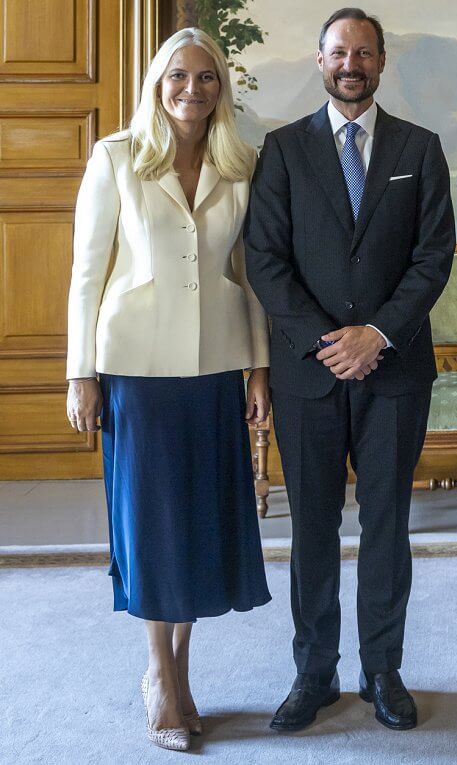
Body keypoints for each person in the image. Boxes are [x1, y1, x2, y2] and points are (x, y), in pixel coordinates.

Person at [244, 7, 455, 733]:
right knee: (313, 529)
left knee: (388, 526)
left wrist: (377, 334)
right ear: (320, 59)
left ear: (381, 61)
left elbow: (434, 257)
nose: (351, 63)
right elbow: (264, 260)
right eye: (339, 52)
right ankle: (314, 673)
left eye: (363, 52)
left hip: (394, 370)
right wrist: (329, 341)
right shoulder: (282, 150)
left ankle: (383, 670)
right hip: (309, 373)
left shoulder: (420, 149)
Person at [65, 27, 271, 752]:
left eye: (207, 77)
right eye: (178, 76)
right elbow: (87, 271)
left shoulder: (242, 164)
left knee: (198, 522)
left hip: (214, 366)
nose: (193, 89)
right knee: (152, 527)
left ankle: (180, 670)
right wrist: (79, 371)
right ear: (158, 84)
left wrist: (258, 368)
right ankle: (159, 673)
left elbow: (249, 277)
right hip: (136, 369)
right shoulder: (116, 157)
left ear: (222, 87)